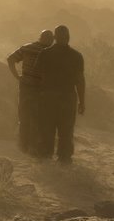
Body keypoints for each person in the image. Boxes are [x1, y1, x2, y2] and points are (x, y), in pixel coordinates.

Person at [35, 25, 85, 164]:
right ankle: (64, 159)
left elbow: (37, 76)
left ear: (54, 37)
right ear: (68, 37)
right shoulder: (76, 56)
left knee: (46, 128)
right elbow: (80, 80)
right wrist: (82, 101)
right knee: (66, 130)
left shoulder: (45, 53)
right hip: (67, 97)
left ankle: (45, 157)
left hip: (47, 96)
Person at [6, 29, 54, 154]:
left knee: (24, 116)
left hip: (26, 86)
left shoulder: (27, 48)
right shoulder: (50, 52)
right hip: (40, 89)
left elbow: (10, 59)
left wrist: (17, 76)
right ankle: (32, 147)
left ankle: (23, 146)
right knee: (38, 118)